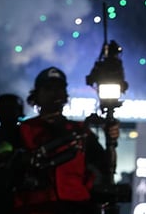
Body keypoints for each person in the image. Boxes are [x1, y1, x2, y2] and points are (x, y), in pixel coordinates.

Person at [11, 66, 118, 214]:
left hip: (76, 206)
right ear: (37, 95)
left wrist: (111, 138)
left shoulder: (80, 131)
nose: (55, 93)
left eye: (59, 88)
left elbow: (106, 166)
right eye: (48, 88)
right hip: (35, 206)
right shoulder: (22, 130)